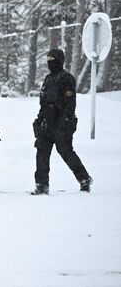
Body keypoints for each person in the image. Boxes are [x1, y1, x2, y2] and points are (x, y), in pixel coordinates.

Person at [31, 49, 92, 195]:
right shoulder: (48, 79)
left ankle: (84, 179)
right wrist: (39, 120)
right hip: (47, 123)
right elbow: (44, 103)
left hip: (62, 124)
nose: (50, 62)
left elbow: (70, 104)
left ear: (59, 60)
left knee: (65, 152)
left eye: (52, 59)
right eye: (48, 59)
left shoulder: (66, 78)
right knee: (42, 152)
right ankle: (41, 184)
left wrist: (62, 123)